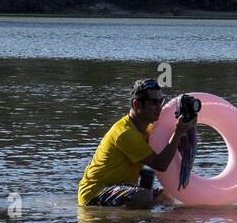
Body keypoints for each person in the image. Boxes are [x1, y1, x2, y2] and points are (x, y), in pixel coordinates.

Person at [78, 78, 197, 209]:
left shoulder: (148, 129)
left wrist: (184, 130)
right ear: (137, 104)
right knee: (144, 196)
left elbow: (170, 150)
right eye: (154, 103)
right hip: (94, 193)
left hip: (122, 186)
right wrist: (178, 132)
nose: (160, 107)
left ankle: (149, 220)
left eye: (161, 101)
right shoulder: (125, 133)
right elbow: (160, 164)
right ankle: (142, 219)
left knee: (167, 195)